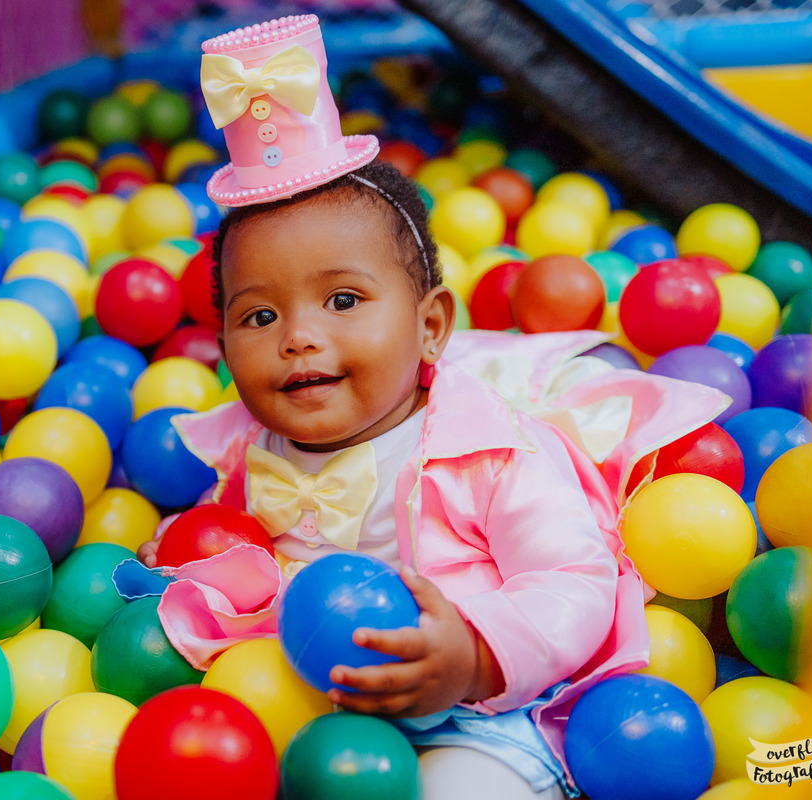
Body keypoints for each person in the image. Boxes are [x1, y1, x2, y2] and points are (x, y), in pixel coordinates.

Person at [133, 14, 727, 799]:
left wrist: (476, 653)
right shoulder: (248, 447)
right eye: (259, 316)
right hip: (303, 700)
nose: (299, 338)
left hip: (483, 709)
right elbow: (232, 550)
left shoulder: (491, 454)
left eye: (343, 299)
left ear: (431, 328)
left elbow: (572, 579)